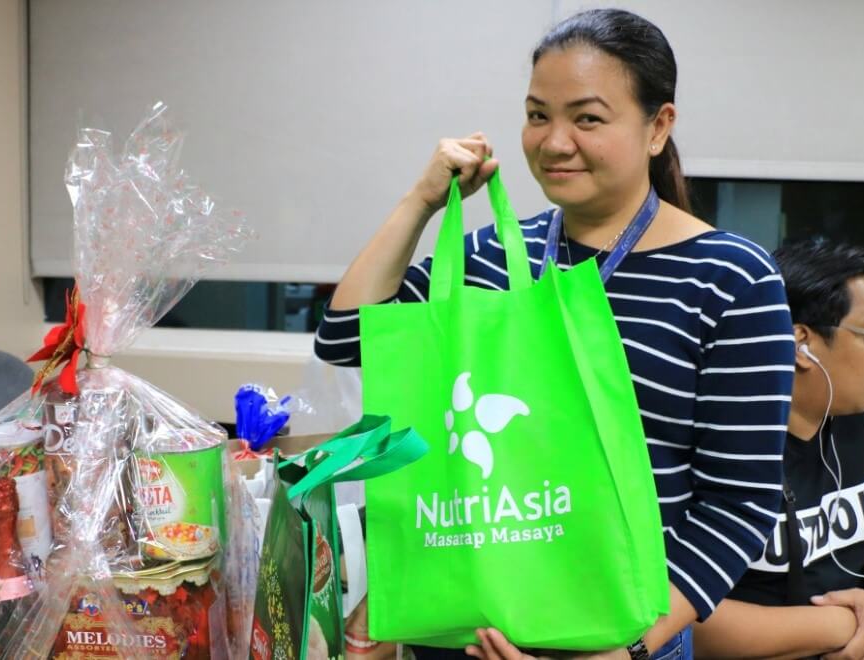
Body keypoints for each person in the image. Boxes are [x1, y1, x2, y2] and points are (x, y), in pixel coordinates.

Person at [315, 9, 795, 659]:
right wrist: (420, 202)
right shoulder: (485, 260)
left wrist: (625, 648)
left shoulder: (731, 279)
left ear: (659, 127)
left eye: (587, 118)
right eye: (538, 115)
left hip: (619, 636)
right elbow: (345, 339)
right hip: (464, 621)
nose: (554, 141)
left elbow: (736, 506)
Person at [693, 241, 864, 659]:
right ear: (802, 344)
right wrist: (853, 623)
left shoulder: (860, 416)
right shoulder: (724, 442)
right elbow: (685, 623)